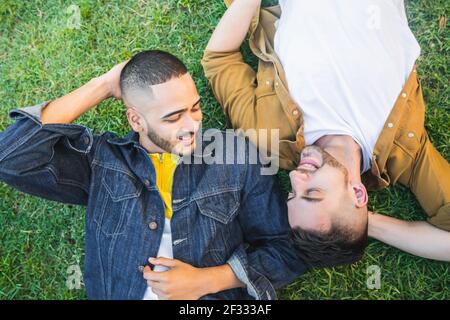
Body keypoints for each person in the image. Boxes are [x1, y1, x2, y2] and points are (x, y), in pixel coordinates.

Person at [0, 49, 306, 299]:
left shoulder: (235, 155)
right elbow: (11, 158)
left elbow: (286, 253)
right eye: (173, 117)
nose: (191, 126)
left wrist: (208, 281)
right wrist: (104, 85)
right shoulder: (103, 161)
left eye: (195, 108)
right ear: (136, 120)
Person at [202, 0, 450, 265]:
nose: (296, 178)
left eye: (293, 194)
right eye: (312, 193)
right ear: (358, 193)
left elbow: (219, 59)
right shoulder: (405, 151)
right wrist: (368, 223)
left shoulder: (268, 136)